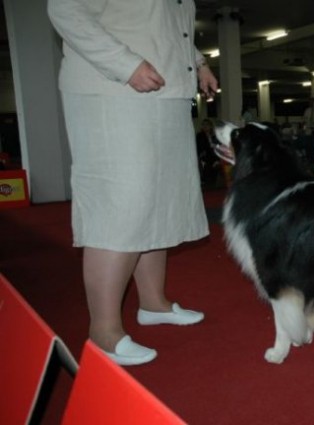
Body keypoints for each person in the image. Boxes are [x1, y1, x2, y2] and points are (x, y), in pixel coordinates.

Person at [48, 0, 218, 366]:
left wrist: (198, 62)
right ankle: (104, 331)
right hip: (113, 90)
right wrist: (126, 64)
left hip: (167, 91)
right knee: (121, 204)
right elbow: (64, 9)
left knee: (157, 201)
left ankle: (153, 303)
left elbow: (166, 24)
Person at [196, 118, 220, 186]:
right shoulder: (200, 135)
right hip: (204, 155)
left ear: (211, 126)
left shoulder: (214, 136)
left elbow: (217, 146)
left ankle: (213, 181)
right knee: (208, 163)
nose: (205, 127)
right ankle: (206, 181)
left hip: (213, 155)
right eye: (203, 125)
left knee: (216, 160)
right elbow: (201, 147)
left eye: (207, 125)